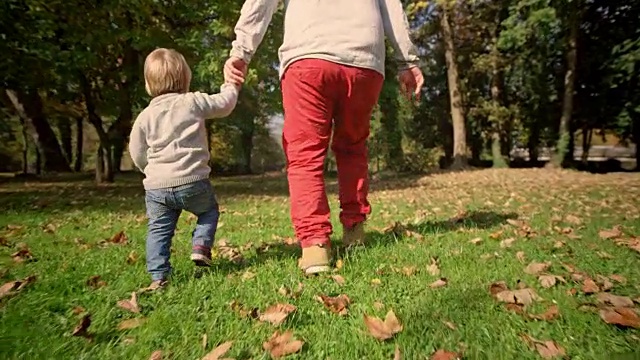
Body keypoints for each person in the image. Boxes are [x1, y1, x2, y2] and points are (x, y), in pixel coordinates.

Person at [225, 0, 424, 275]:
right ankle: (354, 233)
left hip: (309, 52)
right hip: (364, 60)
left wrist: (241, 52)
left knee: (305, 154)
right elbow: (391, 6)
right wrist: (407, 61)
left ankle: (315, 245)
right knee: (353, 148)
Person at [129, 48, 240, 288]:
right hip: (193, 181)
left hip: (157, 188)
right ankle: (200, 246)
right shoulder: (193, 101)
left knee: (158, 230)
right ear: (186, 79)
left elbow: (137, 151)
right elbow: (225, 104)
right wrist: (230, 84)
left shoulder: (145, 116)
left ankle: (158, 277)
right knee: (208, 212)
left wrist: (148, 169)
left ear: (149, 85)